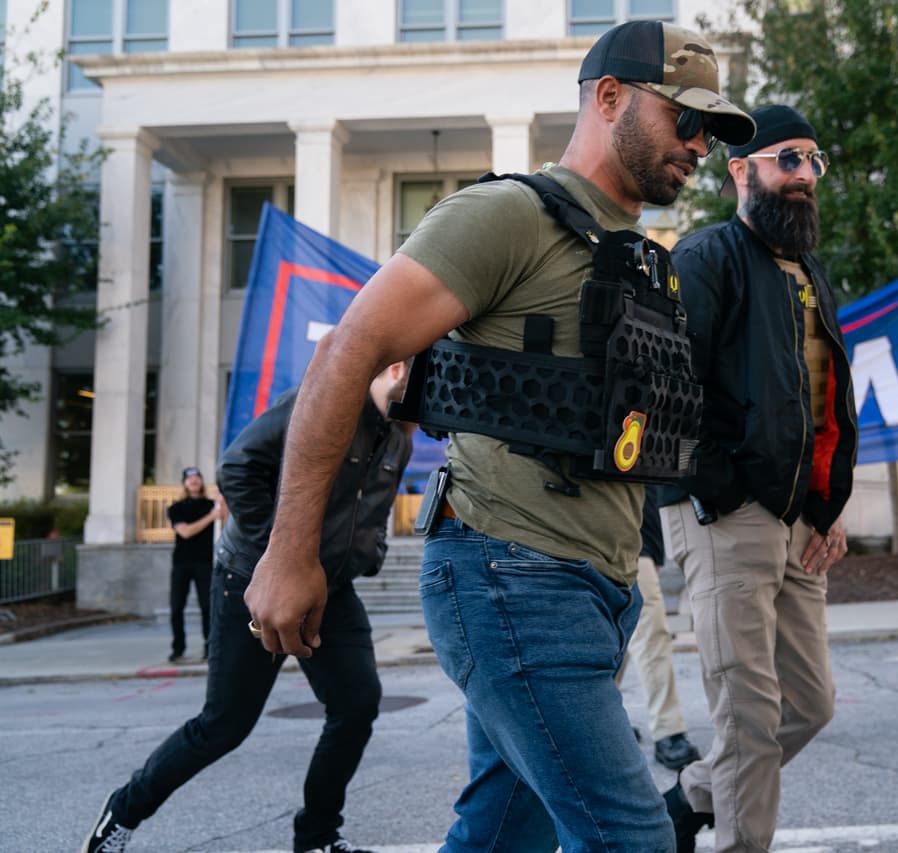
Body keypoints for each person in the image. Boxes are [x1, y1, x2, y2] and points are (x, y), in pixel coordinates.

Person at [238, 20, 754, 853]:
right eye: (684, 118)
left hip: (595, 592)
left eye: (710, 128)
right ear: (610, 97)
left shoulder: (635, 254)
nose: (698, 144)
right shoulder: (506, 216)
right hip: (513, 579)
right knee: (635, 839)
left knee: (504, 834)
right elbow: (347, 351)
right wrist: (289, 549)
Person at [82, 362, 414, 853]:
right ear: (398, 366)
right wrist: (281, 559)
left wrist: (369, 553)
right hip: (251, 578)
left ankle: (317, 839)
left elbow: (376, 508)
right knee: (224, 725)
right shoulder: (323, 400)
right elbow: (237, 468)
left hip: (330, 589)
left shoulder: (399, 437)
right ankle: (123, 811)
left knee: (357, 704)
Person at [656, 104, 859, 853]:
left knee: (808, 704)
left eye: (813, 161)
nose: (804, 176)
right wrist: (721, 489)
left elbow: (826, 399)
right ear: (742, 170)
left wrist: (828, 504)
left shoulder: (811, 273)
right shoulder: (706, 259)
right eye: (787, 160)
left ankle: (691, 797)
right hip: (725, 513)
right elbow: (666, 391)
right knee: (747, 712)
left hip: (799, 519)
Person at [619, 487, 702, 771]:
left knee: (642, 633)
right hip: (610, 531)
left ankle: (665, 729)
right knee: (634, 636)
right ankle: (667, 731)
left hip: (639, 537)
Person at [165, 466, 225, 662]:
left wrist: (222, 504)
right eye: (189, 478)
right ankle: (178, 649)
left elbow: (226, 520)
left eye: (197, 477)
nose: (194, 481)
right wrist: (211, 516)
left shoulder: (211, 505)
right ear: (184, 483)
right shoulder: (176, 508)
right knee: (176, 607)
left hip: (205, 563)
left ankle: (210, 648)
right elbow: (186, 532)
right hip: (182, 563)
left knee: (207, 607)